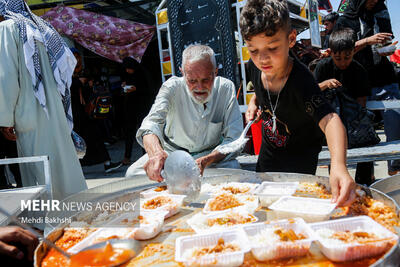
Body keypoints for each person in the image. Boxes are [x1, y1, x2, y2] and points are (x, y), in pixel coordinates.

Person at [240, 0, 355, 206]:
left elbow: (330, 120)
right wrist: (253, 103)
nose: (263, 59)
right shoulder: (254, 66)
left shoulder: (301, 80)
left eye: (273, 47)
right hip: (267, 156)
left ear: (291, 39)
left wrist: (338, 165)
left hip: (299, 162)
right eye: (253, 50)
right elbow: (258, 91)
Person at [0, 0, 87, 200]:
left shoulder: (7, 28)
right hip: (54, 109)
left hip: (29, 111)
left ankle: (48, 220)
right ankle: (76, 209)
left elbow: (7, 77)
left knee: (39, 169)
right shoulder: (43, 28)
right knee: (62, 163)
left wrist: (4, 119)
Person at [126, 45, 243, 181]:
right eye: (192, 80)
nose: (199, 87)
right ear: (182, 73)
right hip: (171, 154)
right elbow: (151, 124)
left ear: (215, 73)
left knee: (234, 169)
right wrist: (157, 154)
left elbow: (234, 139)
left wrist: (206, 160)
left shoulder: (226, 88)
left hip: (210, 157)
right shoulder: (171, 87)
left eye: (206, 80)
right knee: (133, 175)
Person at [335, 0, 400, 176]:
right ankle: (365, 173)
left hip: (384, 76)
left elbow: (383, 42)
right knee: (362, 131)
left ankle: (395, 164)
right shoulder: (344, 21)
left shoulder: (380, 13)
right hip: (357, 79)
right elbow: (340, 50)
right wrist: (368, 41)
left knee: (395, 118)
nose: (374, 2)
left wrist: (384, 48)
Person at [314, 28, 375, 185]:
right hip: (328, 119)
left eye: (347, 57)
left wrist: (354, 125)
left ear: (353, 52)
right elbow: (311, 92)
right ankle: (335, 183)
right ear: (331, 52)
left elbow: (362, 101)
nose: (342, 62)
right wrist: (326, 84)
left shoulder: (359, 70)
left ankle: (364, 183)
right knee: (331, 149)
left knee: (366, 145)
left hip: (353, 119)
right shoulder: (323, 67)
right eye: (338, 58)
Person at [120, 57, 149, 166]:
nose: (128, 71)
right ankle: (127, 156)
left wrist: (136, 89)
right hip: (130, 107)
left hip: (142, 106)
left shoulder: (141, 74)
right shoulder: (127, 76)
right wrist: (124, 86)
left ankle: (146, 155)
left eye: (129, 69)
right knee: (129, 132)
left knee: (143, 132)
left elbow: (147, 89)